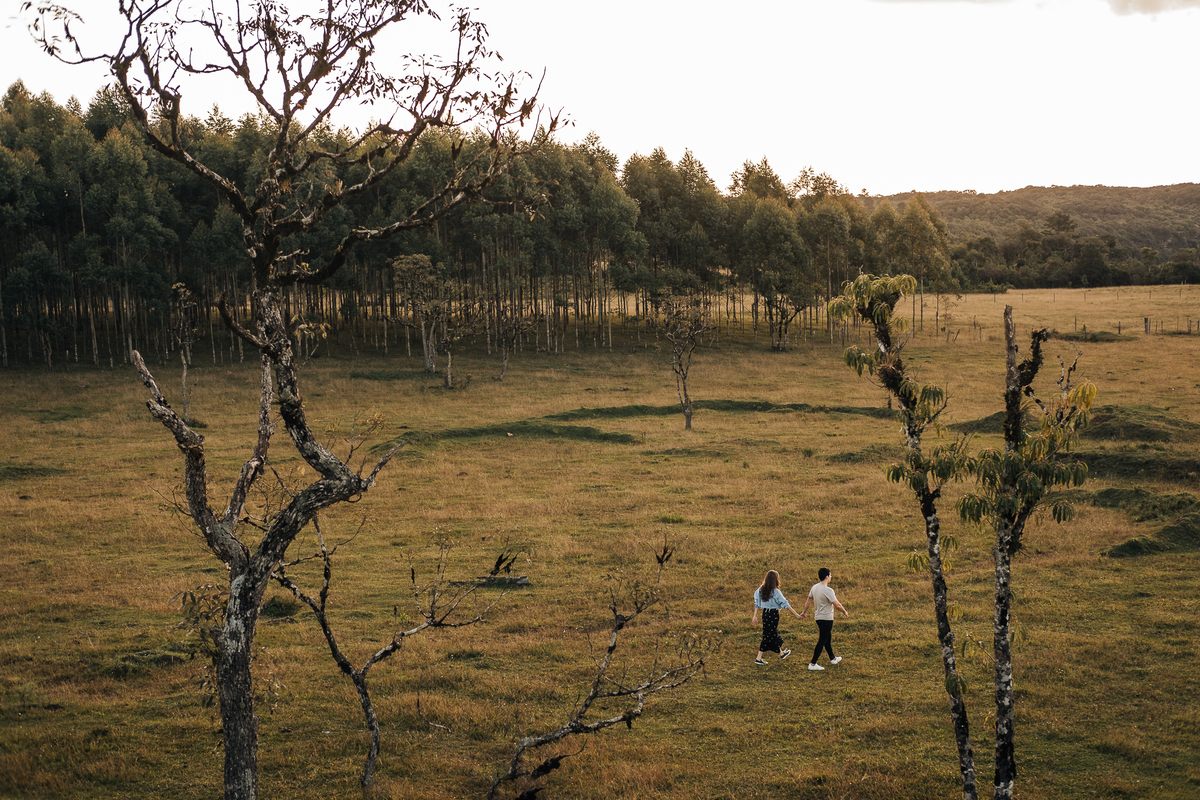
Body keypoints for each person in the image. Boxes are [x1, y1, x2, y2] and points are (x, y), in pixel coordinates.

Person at [799, 567, 850, 671]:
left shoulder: (814, 588)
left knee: (827, 638)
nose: (831, 577)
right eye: (830, 575)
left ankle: (833, 658)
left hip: (818, 617)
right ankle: (812, 664)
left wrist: (804, 613)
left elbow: (809, 601)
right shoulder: (828, 590)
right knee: (822, 640)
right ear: (826, 576)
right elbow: (837, 605)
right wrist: (844, 611)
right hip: (827, 618)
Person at [751, 569, 803, 666]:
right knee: (769, 635)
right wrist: (796, 615)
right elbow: (786, 604)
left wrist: (755, 616)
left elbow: (757, 603)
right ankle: (760, 658)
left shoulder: (761, 589)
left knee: (769, 634)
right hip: (773, 614)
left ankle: (780, 653)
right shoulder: (776, 591)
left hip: (765, 614)